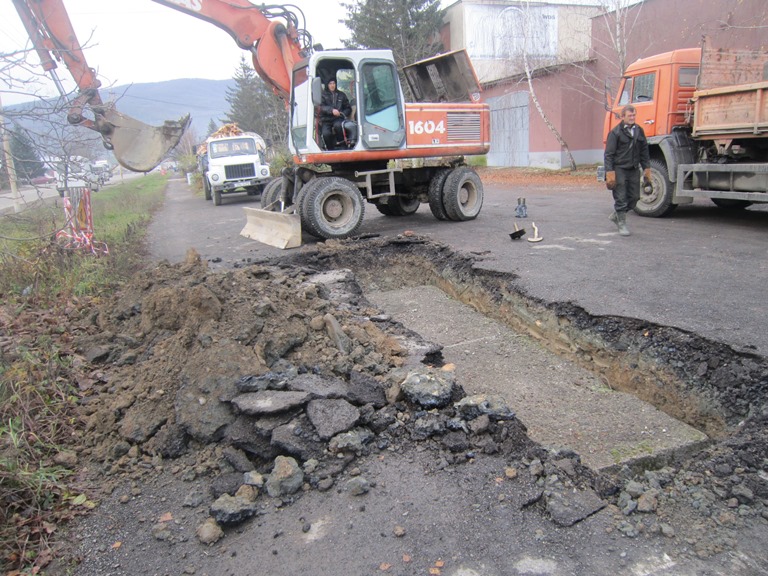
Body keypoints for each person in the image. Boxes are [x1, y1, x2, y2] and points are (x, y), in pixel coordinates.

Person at [604, 104, 651, 236]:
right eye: (630, 115)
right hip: (619, 169)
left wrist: (647, 168)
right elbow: (609, 154)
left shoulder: (639, 131)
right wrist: (610, 173)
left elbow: (644, 151)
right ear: (623, 116)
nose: (632, 117)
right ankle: (622, 224)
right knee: (621, 197)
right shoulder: (615, 132)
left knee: (635, 197)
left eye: (634, 115)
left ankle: (617, 215)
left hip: (633, 168)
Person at [320, 77, 352, 150]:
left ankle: (343, 146)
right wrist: (331, 110)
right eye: (330, 83)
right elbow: (321, 107)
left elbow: (348, 108)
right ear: (327, 85)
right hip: (326, 119)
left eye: (334, 83)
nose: (332, 85)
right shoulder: (323, 95)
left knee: (338, 126)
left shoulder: (342, 95)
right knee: (326, 134)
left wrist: (342, 114)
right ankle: (330, 149)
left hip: (338, 119)